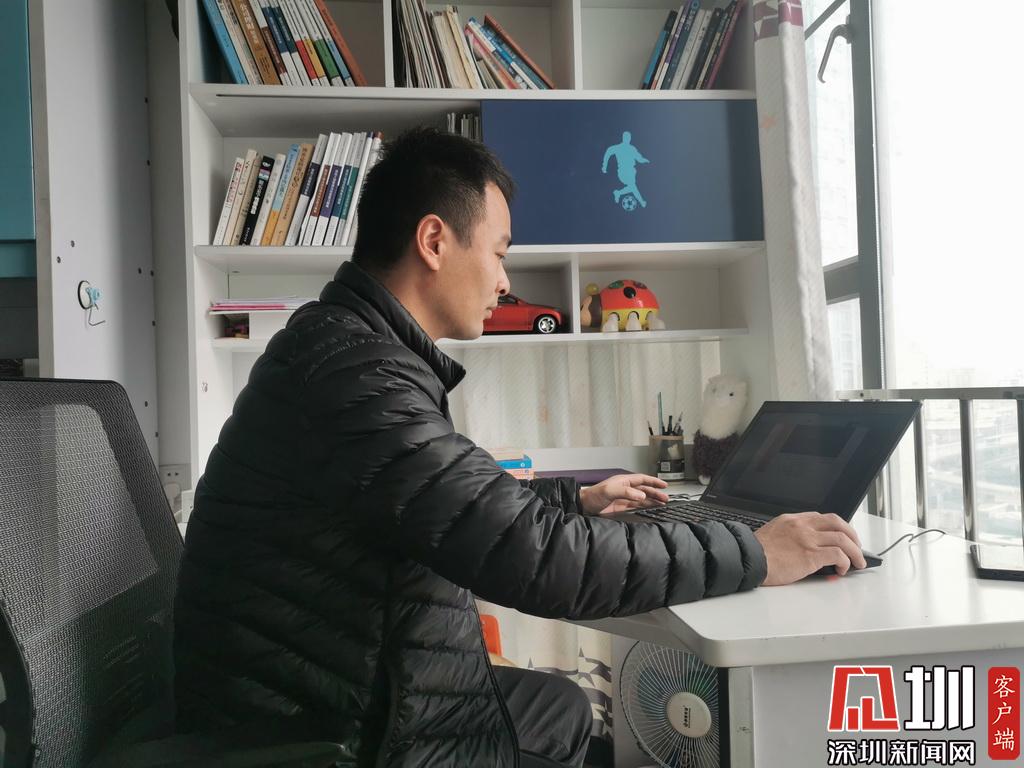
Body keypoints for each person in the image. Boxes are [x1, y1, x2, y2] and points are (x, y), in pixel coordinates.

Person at [173, 127, 867, 768]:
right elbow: (535, 560)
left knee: (565, 706)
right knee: (574, 719)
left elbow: (445, 501)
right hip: (340, 726)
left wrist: (574, 498)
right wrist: (755, 552)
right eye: (500, 252)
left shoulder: (346, 349)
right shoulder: (357, 375)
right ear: (435, 241)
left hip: (342, 676)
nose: (505, 281)